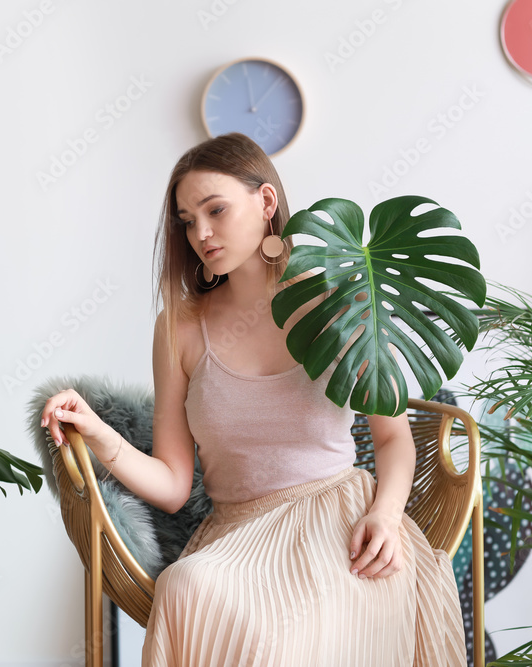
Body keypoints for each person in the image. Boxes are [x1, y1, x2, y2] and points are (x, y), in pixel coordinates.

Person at [39, 133, 465, 665]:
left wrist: (385, 513)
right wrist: (100, 434)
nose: (201, 232)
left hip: (338, 522)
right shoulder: (180, 328)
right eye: (187, 220)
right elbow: (172, 487)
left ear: (266, 203)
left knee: (280, 639)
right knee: (187, 585)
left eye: (215, 210)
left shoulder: (338, 298)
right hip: (237, 533)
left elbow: (393, 439)